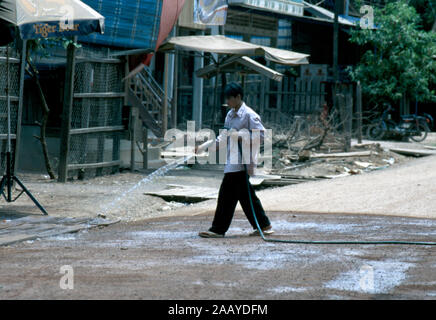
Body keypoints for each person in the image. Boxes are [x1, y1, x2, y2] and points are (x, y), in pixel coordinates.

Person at [197, 82, 274, 238]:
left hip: (242, 162)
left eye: (230, 99)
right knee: (246, 196)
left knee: (226, 195)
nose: (228, 103)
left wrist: (239, 135)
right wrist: (207, 147)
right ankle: (264, 225)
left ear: (238, 97)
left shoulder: (249, 115)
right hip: (233, 160)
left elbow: (262, 135)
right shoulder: (230, 114)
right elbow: (224, 136)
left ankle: (218, 229)